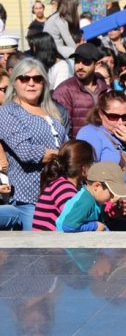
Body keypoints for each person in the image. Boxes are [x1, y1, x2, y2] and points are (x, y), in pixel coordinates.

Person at [0, 59, 67, 230]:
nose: (31, 83)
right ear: (14, 83)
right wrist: (65, 156)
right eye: (24, 78)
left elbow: (68, 143)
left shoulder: (53, 111)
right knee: (37, 251)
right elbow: (26, 152)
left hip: (62, 193)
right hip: (30, 198)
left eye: (37, 79)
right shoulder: (8, 111)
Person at [76, 91, 126, 193]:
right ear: (101, 114)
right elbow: (88, 170)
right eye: (114, 116)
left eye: (125, 117)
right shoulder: (90, 133)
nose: (120, 122)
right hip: (105, 201)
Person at [32, 140, 94, 231]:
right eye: (92, 162)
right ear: (84, 168)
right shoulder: (64, 188)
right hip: (48, 243)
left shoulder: (68, 184)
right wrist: (96, 225)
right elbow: (74, 219)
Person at [56, 161, 126, 232]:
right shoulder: (86, 201)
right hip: (67, 241)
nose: (112, 197)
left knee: (123, 223)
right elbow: (68, 226)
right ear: (97, 186)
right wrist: (94, 226)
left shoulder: (94, 198)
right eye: (111, 194)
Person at [53, 43, 108, 138]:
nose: (80, 67)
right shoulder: (64, 90)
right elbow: (61, 129)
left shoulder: (105, 89)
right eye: (77, 62)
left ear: (97, 64)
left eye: (86, 62)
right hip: (78, 149)